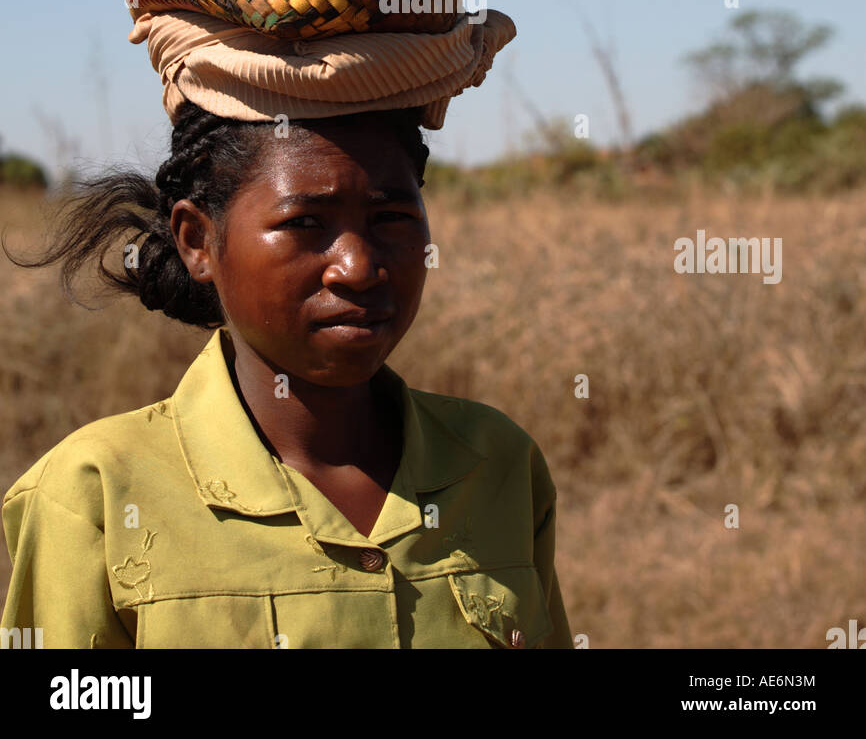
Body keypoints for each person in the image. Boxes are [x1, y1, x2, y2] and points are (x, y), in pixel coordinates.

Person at [1, 100, 573, 649]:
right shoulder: (91, 494)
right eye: (304, 222)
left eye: (391, 217)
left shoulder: (498, 463)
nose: (358, 267)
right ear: (197, 240)